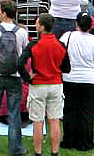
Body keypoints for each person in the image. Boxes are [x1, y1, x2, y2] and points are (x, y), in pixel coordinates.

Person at [0, 0, 28, 156]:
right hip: (15, 75)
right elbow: (23, 51)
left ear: (3, 12)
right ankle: (15, 148)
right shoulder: (22, 32)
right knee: (14, 112)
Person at [60, 13, 94, 151]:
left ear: (77, 24)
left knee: (70, 110)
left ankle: (69, 140)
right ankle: (85, 143)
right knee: (87, 113)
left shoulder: (67, 36)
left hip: (70, 78)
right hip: (92, 80)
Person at [25, 13, 66, 156]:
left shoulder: (34, 44)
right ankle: (55, 152)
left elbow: (19, 63)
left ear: (41, 26)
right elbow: (67, 67)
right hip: (55, 84)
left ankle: (38, 152)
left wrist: (28, 78)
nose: (35, 25)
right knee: (54, 120)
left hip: (38, 85)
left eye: (37, 23)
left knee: (38, 121)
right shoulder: (60, 44)